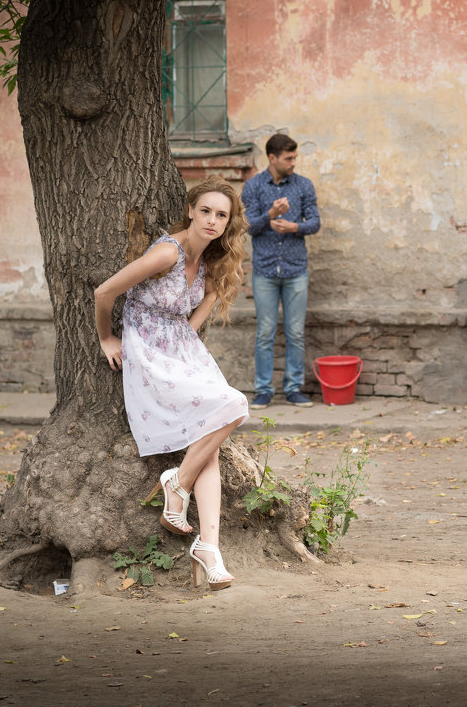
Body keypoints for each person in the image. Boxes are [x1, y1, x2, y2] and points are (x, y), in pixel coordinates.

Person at [94, 177, 249, 591]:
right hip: (147, 349)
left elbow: (193, 323)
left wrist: (187, 343)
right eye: (206, 211)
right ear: (191, 211)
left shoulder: (216, 263)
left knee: (210, 439)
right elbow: (104, 291)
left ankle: (208, 547)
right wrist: (107, 337)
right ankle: (176, 483)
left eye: (222, 215)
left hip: (182, 350)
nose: (212, 221)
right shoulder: (167, 252)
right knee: (235, 404)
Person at [241, 133, 321, 409]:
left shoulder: (303, 186)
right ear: (272, 158)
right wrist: (271, 216)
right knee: (265, 332)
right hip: (264, 270)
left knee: (295, 332)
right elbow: (246, 226)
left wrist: (294, 227)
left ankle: (293, 388)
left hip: (296, 269)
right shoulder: (252, 187)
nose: (293, 163)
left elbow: (315, 222)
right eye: (289, 158)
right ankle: (263, 390)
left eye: (295, 157)